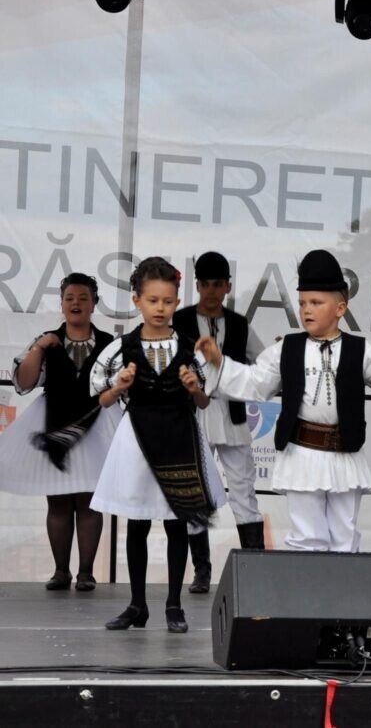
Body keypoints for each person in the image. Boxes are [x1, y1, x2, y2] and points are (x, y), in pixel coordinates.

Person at [196, 249, 371, 553]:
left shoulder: (360, 350)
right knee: (306, 538)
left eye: (316, 303)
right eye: (303, 303)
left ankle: (344, 584)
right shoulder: (287, 349)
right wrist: (219, 362)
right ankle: (305, 584)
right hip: (301, 454)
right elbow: (255, 382)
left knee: (344, 537)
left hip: (344, 454)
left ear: (340, 308)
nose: (307, 310)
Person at [90, 257, 227, 634]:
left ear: (177, 301)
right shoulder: (120, 349)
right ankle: (137, 604)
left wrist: (195, 389)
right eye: (152, 300)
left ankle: (174, 604)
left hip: (180, 438)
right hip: (138, 440)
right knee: (136, 522)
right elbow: (102, 399)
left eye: (167, 301)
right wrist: (118, 386)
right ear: (137, 300)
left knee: (176, 523)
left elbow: (204, 402)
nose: (160, 308)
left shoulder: (189, 349)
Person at [0, 273, 120, 591]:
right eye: (69, 298)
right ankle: (61, 571)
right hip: (54, 421)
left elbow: (121, 385)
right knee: (58, 500)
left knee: (89, 500)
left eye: (83, 298)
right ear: (62, 304)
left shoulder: (110, 343)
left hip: (95, 424)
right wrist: (39, 347)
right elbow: (25, 382)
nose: (75, 303)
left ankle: (86, 573)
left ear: (94, 303)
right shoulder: (47, 339)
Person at [172, 251, 266, 595]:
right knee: (195, 493)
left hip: (232, 413)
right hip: (193, 413)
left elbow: (262, 364)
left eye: (218, 284)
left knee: (243, 489)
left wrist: (280, 355)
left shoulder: (239, 324)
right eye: (206, 284)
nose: (212, 291)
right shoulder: (180, 321)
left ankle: (255, 566)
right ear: (197, 286)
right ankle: (201, 571)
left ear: (228, 286)